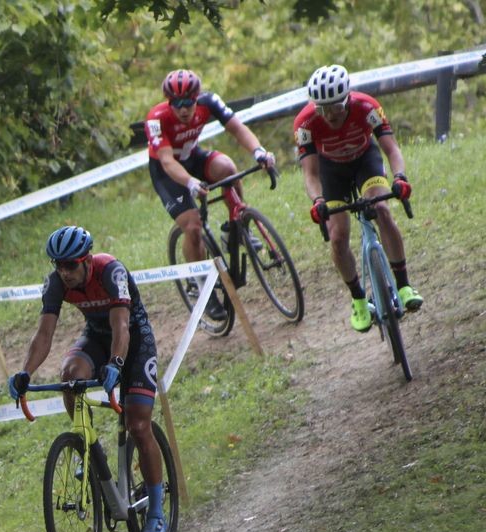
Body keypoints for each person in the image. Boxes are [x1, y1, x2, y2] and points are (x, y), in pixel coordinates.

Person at [8, 226, 167, 532]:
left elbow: (121, 325)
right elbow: (44, 335)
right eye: (58, 265)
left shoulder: (111, 270)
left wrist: (117, 363)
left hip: (133, 340)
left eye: (70, 265)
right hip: (96, 336)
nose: (64, 272)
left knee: (138, 424)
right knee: (70, 376)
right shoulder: (55, 283)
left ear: (87, 261)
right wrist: (25, 372)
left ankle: (157, 512)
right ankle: (86, 447)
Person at [294, 64, 422, 332]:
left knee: (382, 210)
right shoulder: (305, 123)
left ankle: (404, 285)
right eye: (322, 109)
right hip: (332, 171)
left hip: (366, 160)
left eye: (335, 108)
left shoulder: (368, 107)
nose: (329, 115)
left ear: (348, 98)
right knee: (338, 236)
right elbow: (311, 173)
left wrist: (400, 177)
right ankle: (359, 300)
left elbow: (392, 148)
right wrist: (318, 201)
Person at [146, 69, 276, 315]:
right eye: (176, 103)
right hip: (168, 172)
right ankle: (201, 285)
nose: (183, 109)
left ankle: (235, 229)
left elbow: (238, 129)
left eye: (188, 102)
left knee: (228, 169)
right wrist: (191, 183)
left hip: (192, 156)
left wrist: (258, 151)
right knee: (193, 227)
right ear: (168, 102)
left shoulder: (209, 102)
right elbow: (166, 161)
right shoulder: (156, 118)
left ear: (197, 98)